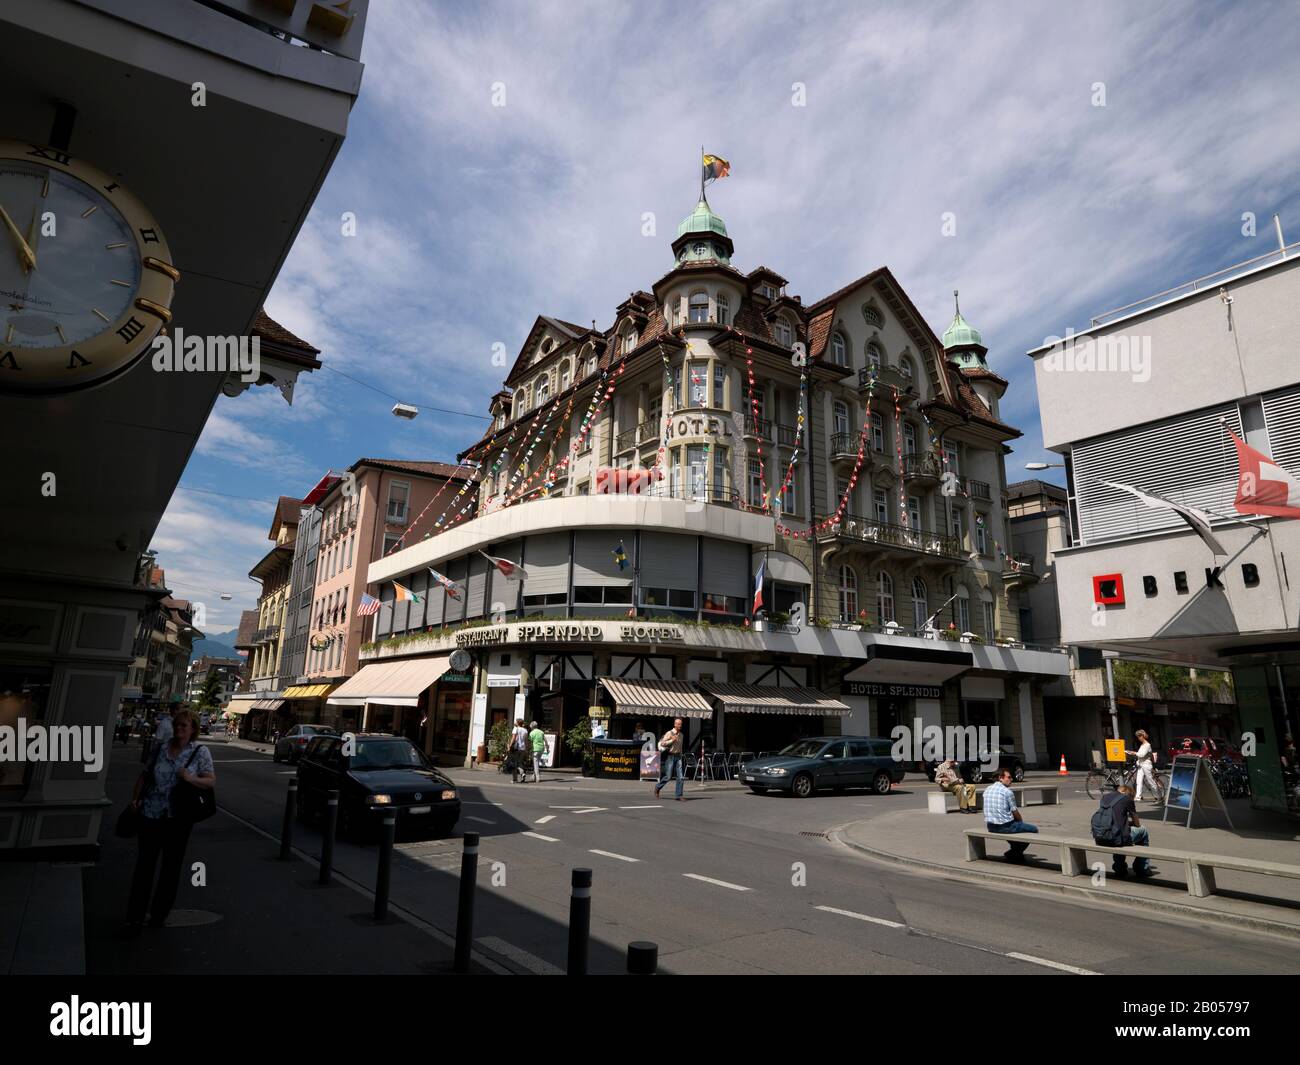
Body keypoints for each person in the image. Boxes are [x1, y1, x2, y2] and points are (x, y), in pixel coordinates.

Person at [125, 708, 216, 933]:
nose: (178, 729)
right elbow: (145, 776)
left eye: (184, 726)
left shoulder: (200, 752)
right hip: (151, 814)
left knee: (170, 869)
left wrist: (190, 777)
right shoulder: (160, 749)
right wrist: (135, 799)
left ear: (193, 729)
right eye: (177, 725)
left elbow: (210, 782)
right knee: (144, 867)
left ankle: (159, 915)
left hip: (179, 819)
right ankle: (135, 916)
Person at [1093, 784, 1155, 878]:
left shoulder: (1106, 797)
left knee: (1119, 833)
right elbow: (1137, 823)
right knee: (1143, 831)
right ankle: (1142, 867)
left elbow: (1112, 819)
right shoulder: (1127, 799)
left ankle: (1119, 868)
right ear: (1128, 794)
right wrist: (1130, 823)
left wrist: (1125, 824)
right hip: (1116, 838)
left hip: (1100, 836)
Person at [983, 767, 1037, 862]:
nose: (1011, 779)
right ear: (1001, 778)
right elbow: (1015, 812)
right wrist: (1020, 822)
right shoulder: (1007, 792)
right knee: (1033, 829)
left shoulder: (987, 789)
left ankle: (1016, 852)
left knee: (1014, 826)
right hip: (1005, 826)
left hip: (990, 826)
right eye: (1009, 777)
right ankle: (1014, 852)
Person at [655, 718, 686, 801]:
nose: (680, 726)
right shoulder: (669, 733)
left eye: (681, 724)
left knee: (680, 777)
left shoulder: (681, 735)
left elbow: (680, 747)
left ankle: (679, 795)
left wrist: (681, 754)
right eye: (678, 724)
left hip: (678, 756)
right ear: (675, 724)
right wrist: (672, 740)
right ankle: (658, 787)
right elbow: (662, 743)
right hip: (670, 756)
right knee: (668, 777)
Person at [1126, 729, 1156, 801]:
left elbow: (1142, 754)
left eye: (1139, 736)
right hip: (1141, 765)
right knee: (1138, 781)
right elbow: (1140, 755)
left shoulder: (1147, 745)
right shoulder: (1142, 745)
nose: (1138, 738)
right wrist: (1130, 752)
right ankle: (1138, 796)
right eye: (1137, 736)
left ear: (1143, 736)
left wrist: (1134, 753)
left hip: (1146, 764)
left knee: (1150, 781)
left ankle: (1158, 795)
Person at [508, 718, 529, 783]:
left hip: (516, 748)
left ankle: (515, 779)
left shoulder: (515, 728)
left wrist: (510, 746)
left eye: (516, 722)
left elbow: (513, 738)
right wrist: (526, 749)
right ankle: (522, 774)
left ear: (517, 723)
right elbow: (526, 741)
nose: (515, 722)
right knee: (520, 763)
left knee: (514, 764)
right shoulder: (525, 730)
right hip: (523, 748)